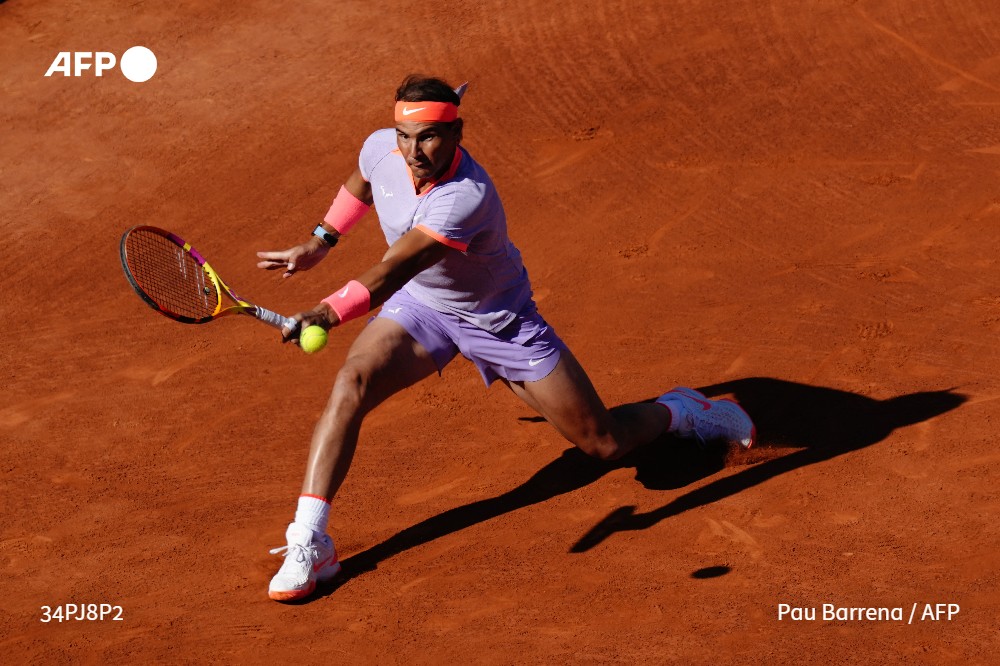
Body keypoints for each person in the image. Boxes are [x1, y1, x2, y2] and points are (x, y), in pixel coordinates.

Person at [256, 75, 755, 602]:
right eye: (404, 135)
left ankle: (679, 411)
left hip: (500, 320)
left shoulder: (465, 197)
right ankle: (310, 540)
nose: (411, 151)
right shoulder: (383, 149)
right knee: (351, 383)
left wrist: (325, 313)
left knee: (603, 443)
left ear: (457, 132)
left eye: (426, 137)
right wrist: (320, 241)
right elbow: (362, 182)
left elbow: (392, 270)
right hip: (424, 308)